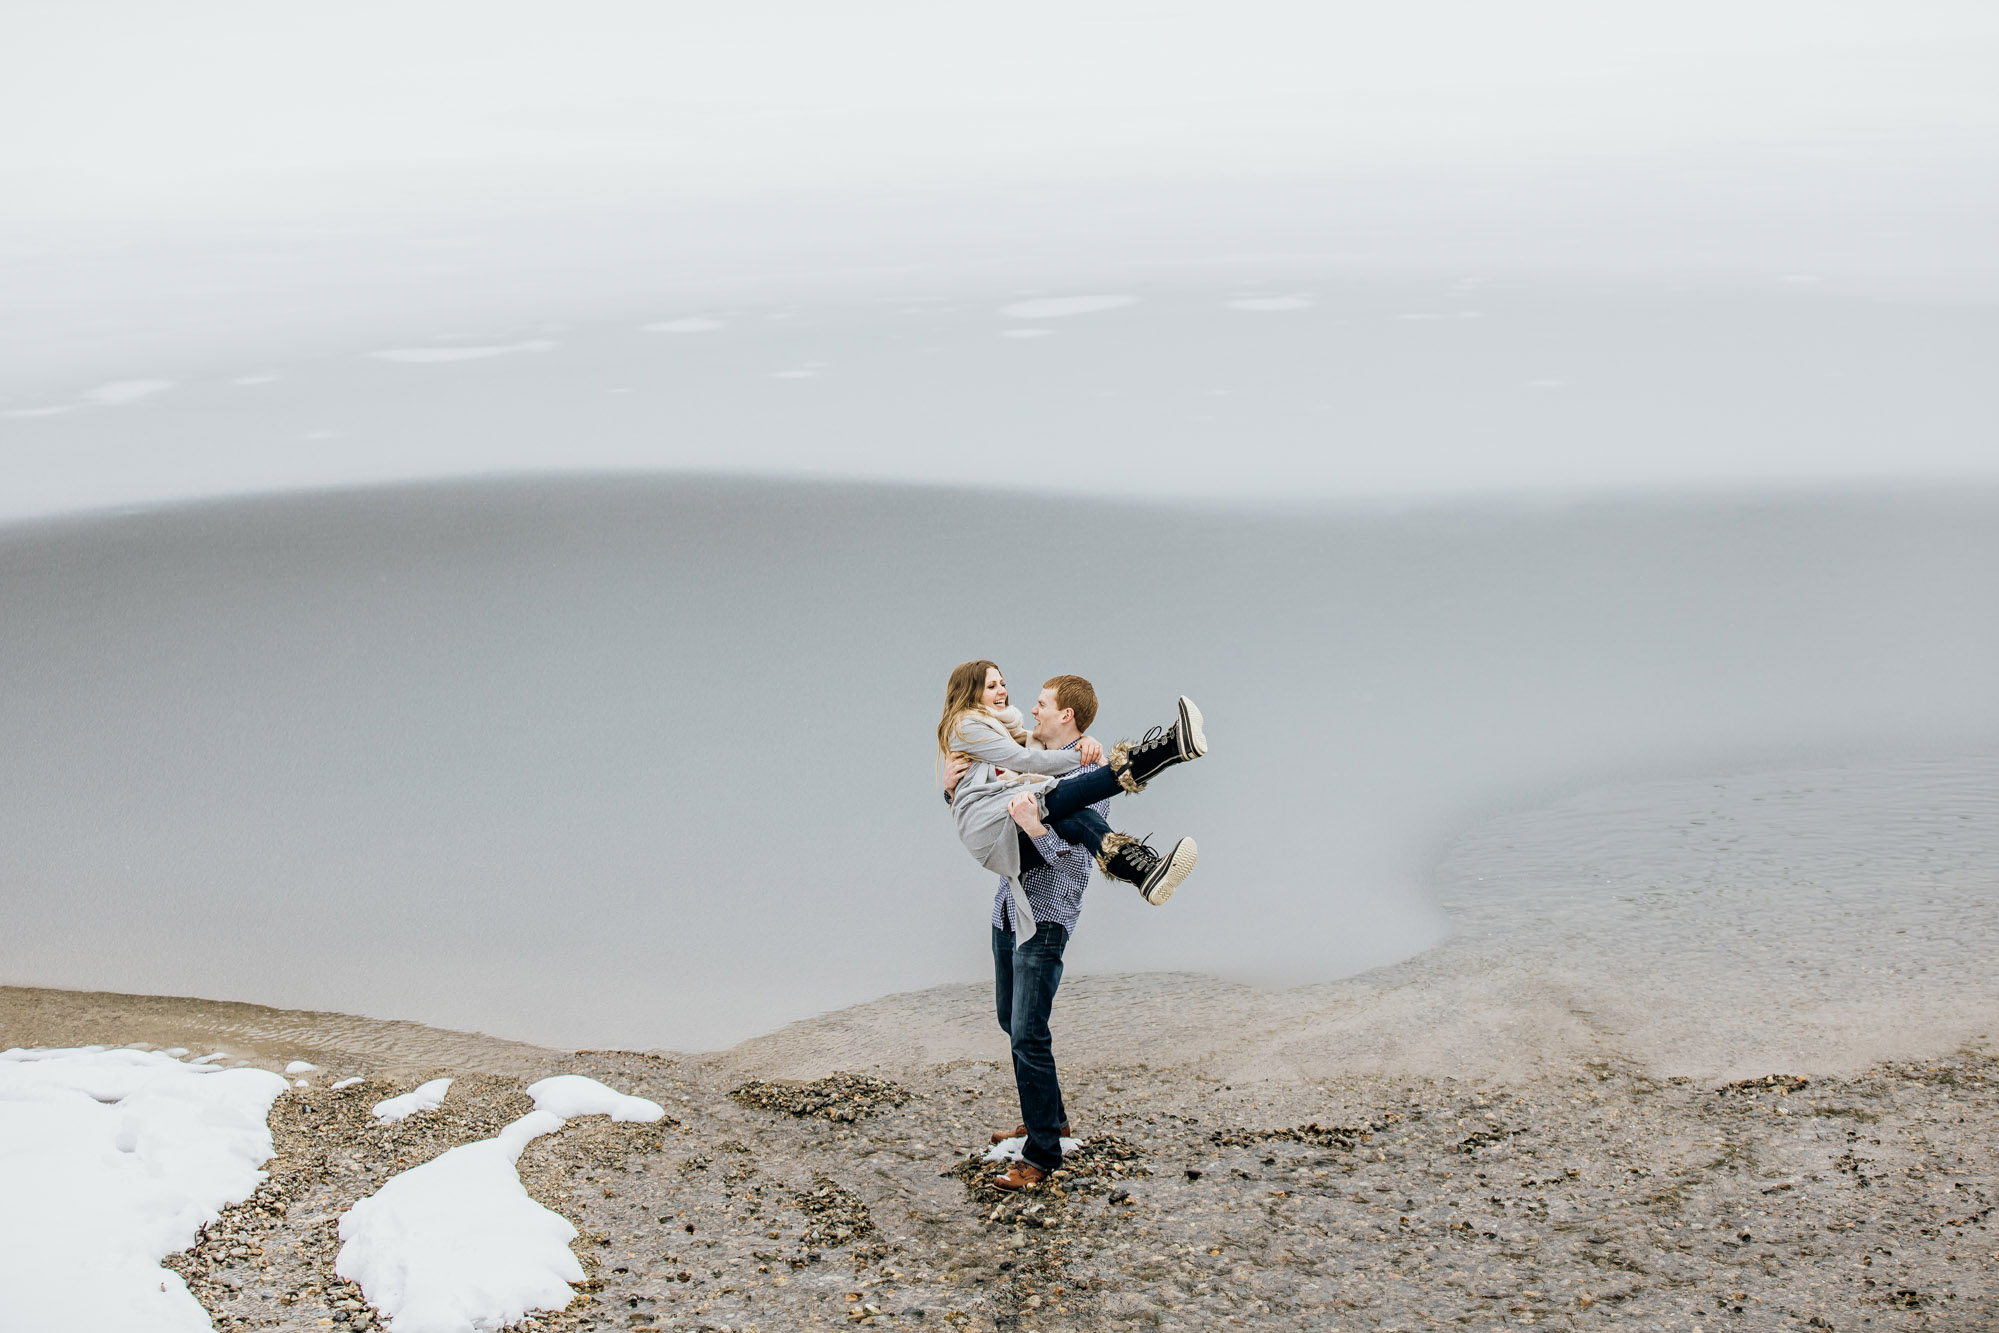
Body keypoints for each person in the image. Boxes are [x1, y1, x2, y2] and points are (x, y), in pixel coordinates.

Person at [939, 673, 1114, 1190]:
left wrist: (1038, 829)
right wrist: (952, 792)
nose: (1030, 710)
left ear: (1069, 717)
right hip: (1007, 912)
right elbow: (988, 814)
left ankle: (1041, 1156)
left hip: (1046, 919)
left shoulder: (1090, 772)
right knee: (1009, 1021)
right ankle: (1052, 1119)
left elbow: (1077, 866)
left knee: (1028, 1034)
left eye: (1042, 705)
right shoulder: (1026, 752)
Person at [936, 660, 1205, 924]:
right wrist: (1086, 758)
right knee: (1083, 793)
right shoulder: (968, 726)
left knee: (1080, 820)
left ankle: (1144, 874)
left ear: (1066, 715)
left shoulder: (1006, 733)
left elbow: (1076, 864)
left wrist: (1085, 746)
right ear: (971, 693)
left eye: (1002, 683)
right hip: (996, 842)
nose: (1004, 691)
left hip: (1032, 906)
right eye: (992, 686)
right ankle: (1171, 748)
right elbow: (1023, 760)